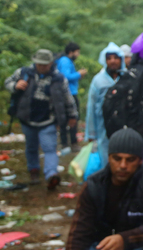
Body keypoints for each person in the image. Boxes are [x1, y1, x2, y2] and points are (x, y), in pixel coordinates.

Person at [4, 49, 78, 189]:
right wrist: (15, 85)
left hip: (48, 120)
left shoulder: (59, 78)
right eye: (39, 64)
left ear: (51, 63)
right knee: (31, 147)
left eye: (45, 64)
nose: (42, 67)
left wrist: (72, 115)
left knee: (49, 147)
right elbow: (7, 82)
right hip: (27, 118)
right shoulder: (24, 73)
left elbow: (68, 98)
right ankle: (33, 170)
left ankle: (51, 174)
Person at [85, 42, 126, 169]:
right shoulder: (98, 80)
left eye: (115, 58)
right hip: (103, 125)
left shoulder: (127, 78)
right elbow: (91, 107)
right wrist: (91, 134)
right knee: (105, 156)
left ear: (121, 59)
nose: (113, 61)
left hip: (123, 123)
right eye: (109, 58)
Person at [56, 42, 87, 151]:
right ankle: (70, 143)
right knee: (72, 117)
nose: (78, 55)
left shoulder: (66, 61)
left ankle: (67, 142)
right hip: (69, 94)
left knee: (68, 118)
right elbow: (65, 76)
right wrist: (79, 74)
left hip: (70, 92)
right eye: (77, 52)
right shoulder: (65, 61)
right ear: (71, 52)